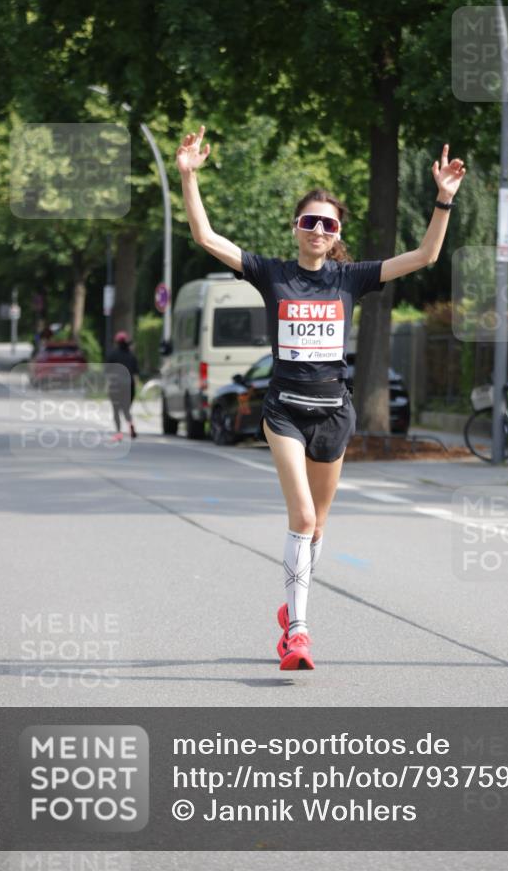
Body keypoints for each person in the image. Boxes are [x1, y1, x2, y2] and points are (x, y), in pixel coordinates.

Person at [177, 123, 466, 671]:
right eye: (309, 221)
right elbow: (206, 238)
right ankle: (300, 634)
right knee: (303, 517)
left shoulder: (350, 278)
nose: (317, 229)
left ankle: (292, 608)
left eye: (327, 224)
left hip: (335, 412)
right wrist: (189, 177)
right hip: (284, 410)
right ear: (295, 228)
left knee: (320, 526)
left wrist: (443, 200)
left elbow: (426, 256)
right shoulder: (271, 273)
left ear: (336, 233)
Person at [106, 330, 140, 441]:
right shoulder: (131, 356)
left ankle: (119, 433)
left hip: (116, 386)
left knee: (116, 410)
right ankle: (131, 426)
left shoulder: (112, 355)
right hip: (129, 386)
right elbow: (135, 374)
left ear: (116, 342)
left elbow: (107, 372)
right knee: (126, 409)